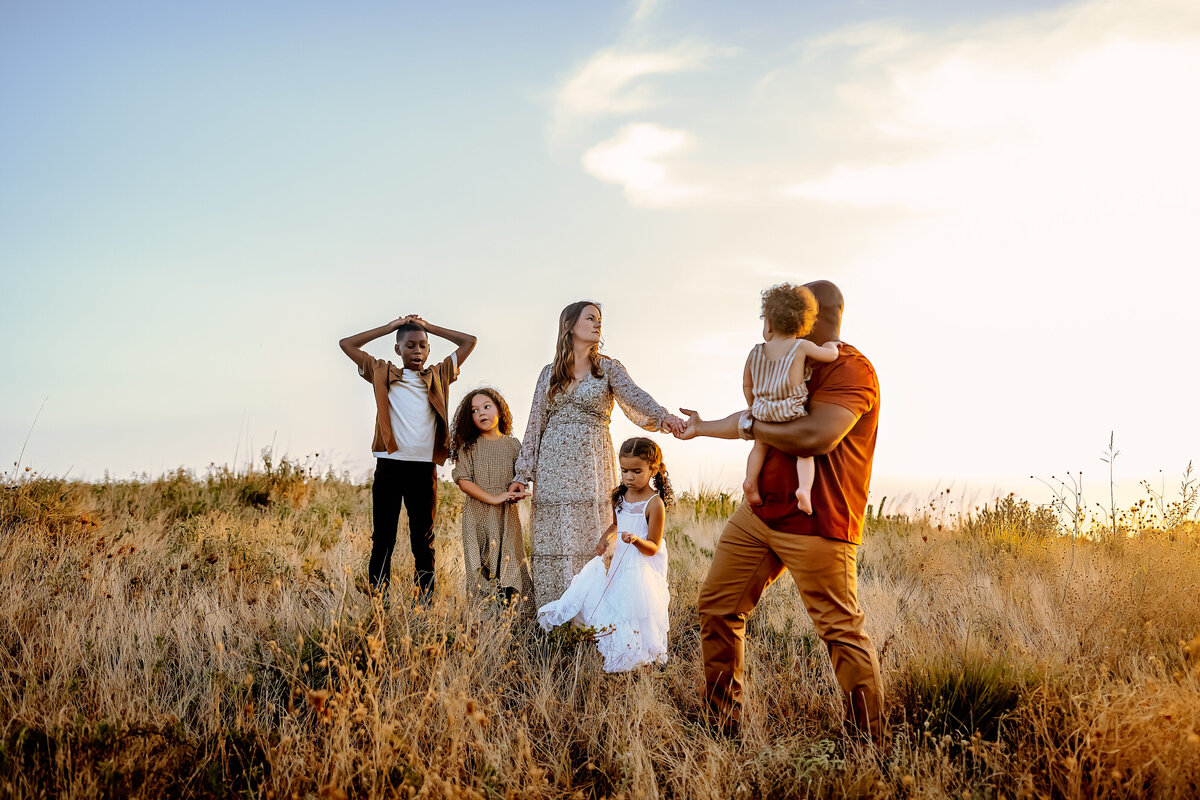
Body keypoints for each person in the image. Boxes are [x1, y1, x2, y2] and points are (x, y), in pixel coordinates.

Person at [676, 280, 885, 742]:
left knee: (840, 631)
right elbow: (754, 416)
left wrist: (752, 424)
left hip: (818, 522)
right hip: (758, 515)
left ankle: (870, 744)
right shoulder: (778, 357)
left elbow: (815, 436)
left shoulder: (851, 369)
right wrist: (703, 427)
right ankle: (721, 725)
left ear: (816, 316)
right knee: (717, 607)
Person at [510, 301, 685, 605]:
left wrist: (663, 417)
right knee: (557, 538)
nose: (598, 324)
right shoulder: (548, 373)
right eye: (590, 318)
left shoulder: (608, 369)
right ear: (570, 325)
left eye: (600, 319)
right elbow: (535, 421)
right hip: (553, 467)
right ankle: (556, 616)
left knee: (593, 535)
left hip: (593, 463)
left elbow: (635, 397)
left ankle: (594, 617)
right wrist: (522, 475)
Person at [339, 314, 476, 599]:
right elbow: (347, 344)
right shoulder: (381, 372)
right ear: (398, 350)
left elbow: (469, 341)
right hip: (389, 466)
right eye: (410, 346)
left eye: (423, 346)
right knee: (383, 538)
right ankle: (378, 600)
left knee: (423, 540)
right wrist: (389, 328)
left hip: (422, 469)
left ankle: (424, 602)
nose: (417, 351)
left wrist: (430, 327)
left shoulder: (438, 375)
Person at [537, 437, 673, 672]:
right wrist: (605, 539)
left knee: (635, 607)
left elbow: (653, 546)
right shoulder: (620, 496)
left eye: (636, 471)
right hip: (620, 559)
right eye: (624, 471)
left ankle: (640, 658)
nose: (629, 477)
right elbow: (616, 525)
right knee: (604, 597)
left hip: (642, 563)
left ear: (653, 469)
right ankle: (614, 648)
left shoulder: (654, 503)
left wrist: (636, 540)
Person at [743, 283, 840, 510]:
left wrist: (752, 405)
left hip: (762, 409)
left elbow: (747, 384)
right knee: (804, 453)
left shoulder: (756, 351)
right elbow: (830, 356)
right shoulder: (801, 346)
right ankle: (803, 490)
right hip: (790, 410)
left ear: (769, 323)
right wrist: (831, 345)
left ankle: (750, 482)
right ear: (803, 324)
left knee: (759, 445)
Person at [449, 387, 533, 607]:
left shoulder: (513, 445)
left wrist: (517, 493)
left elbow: (520, 478)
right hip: (477, 516)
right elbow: (463, 481)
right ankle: (485, 626)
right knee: (481, 572)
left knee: (510, 567)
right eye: (475, 410)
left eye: (487, 407)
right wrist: (494, 498)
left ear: (499, 410)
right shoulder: (468, 447)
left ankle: (515, 623)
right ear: (470, 418)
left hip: (506, 517)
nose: (481, 413)